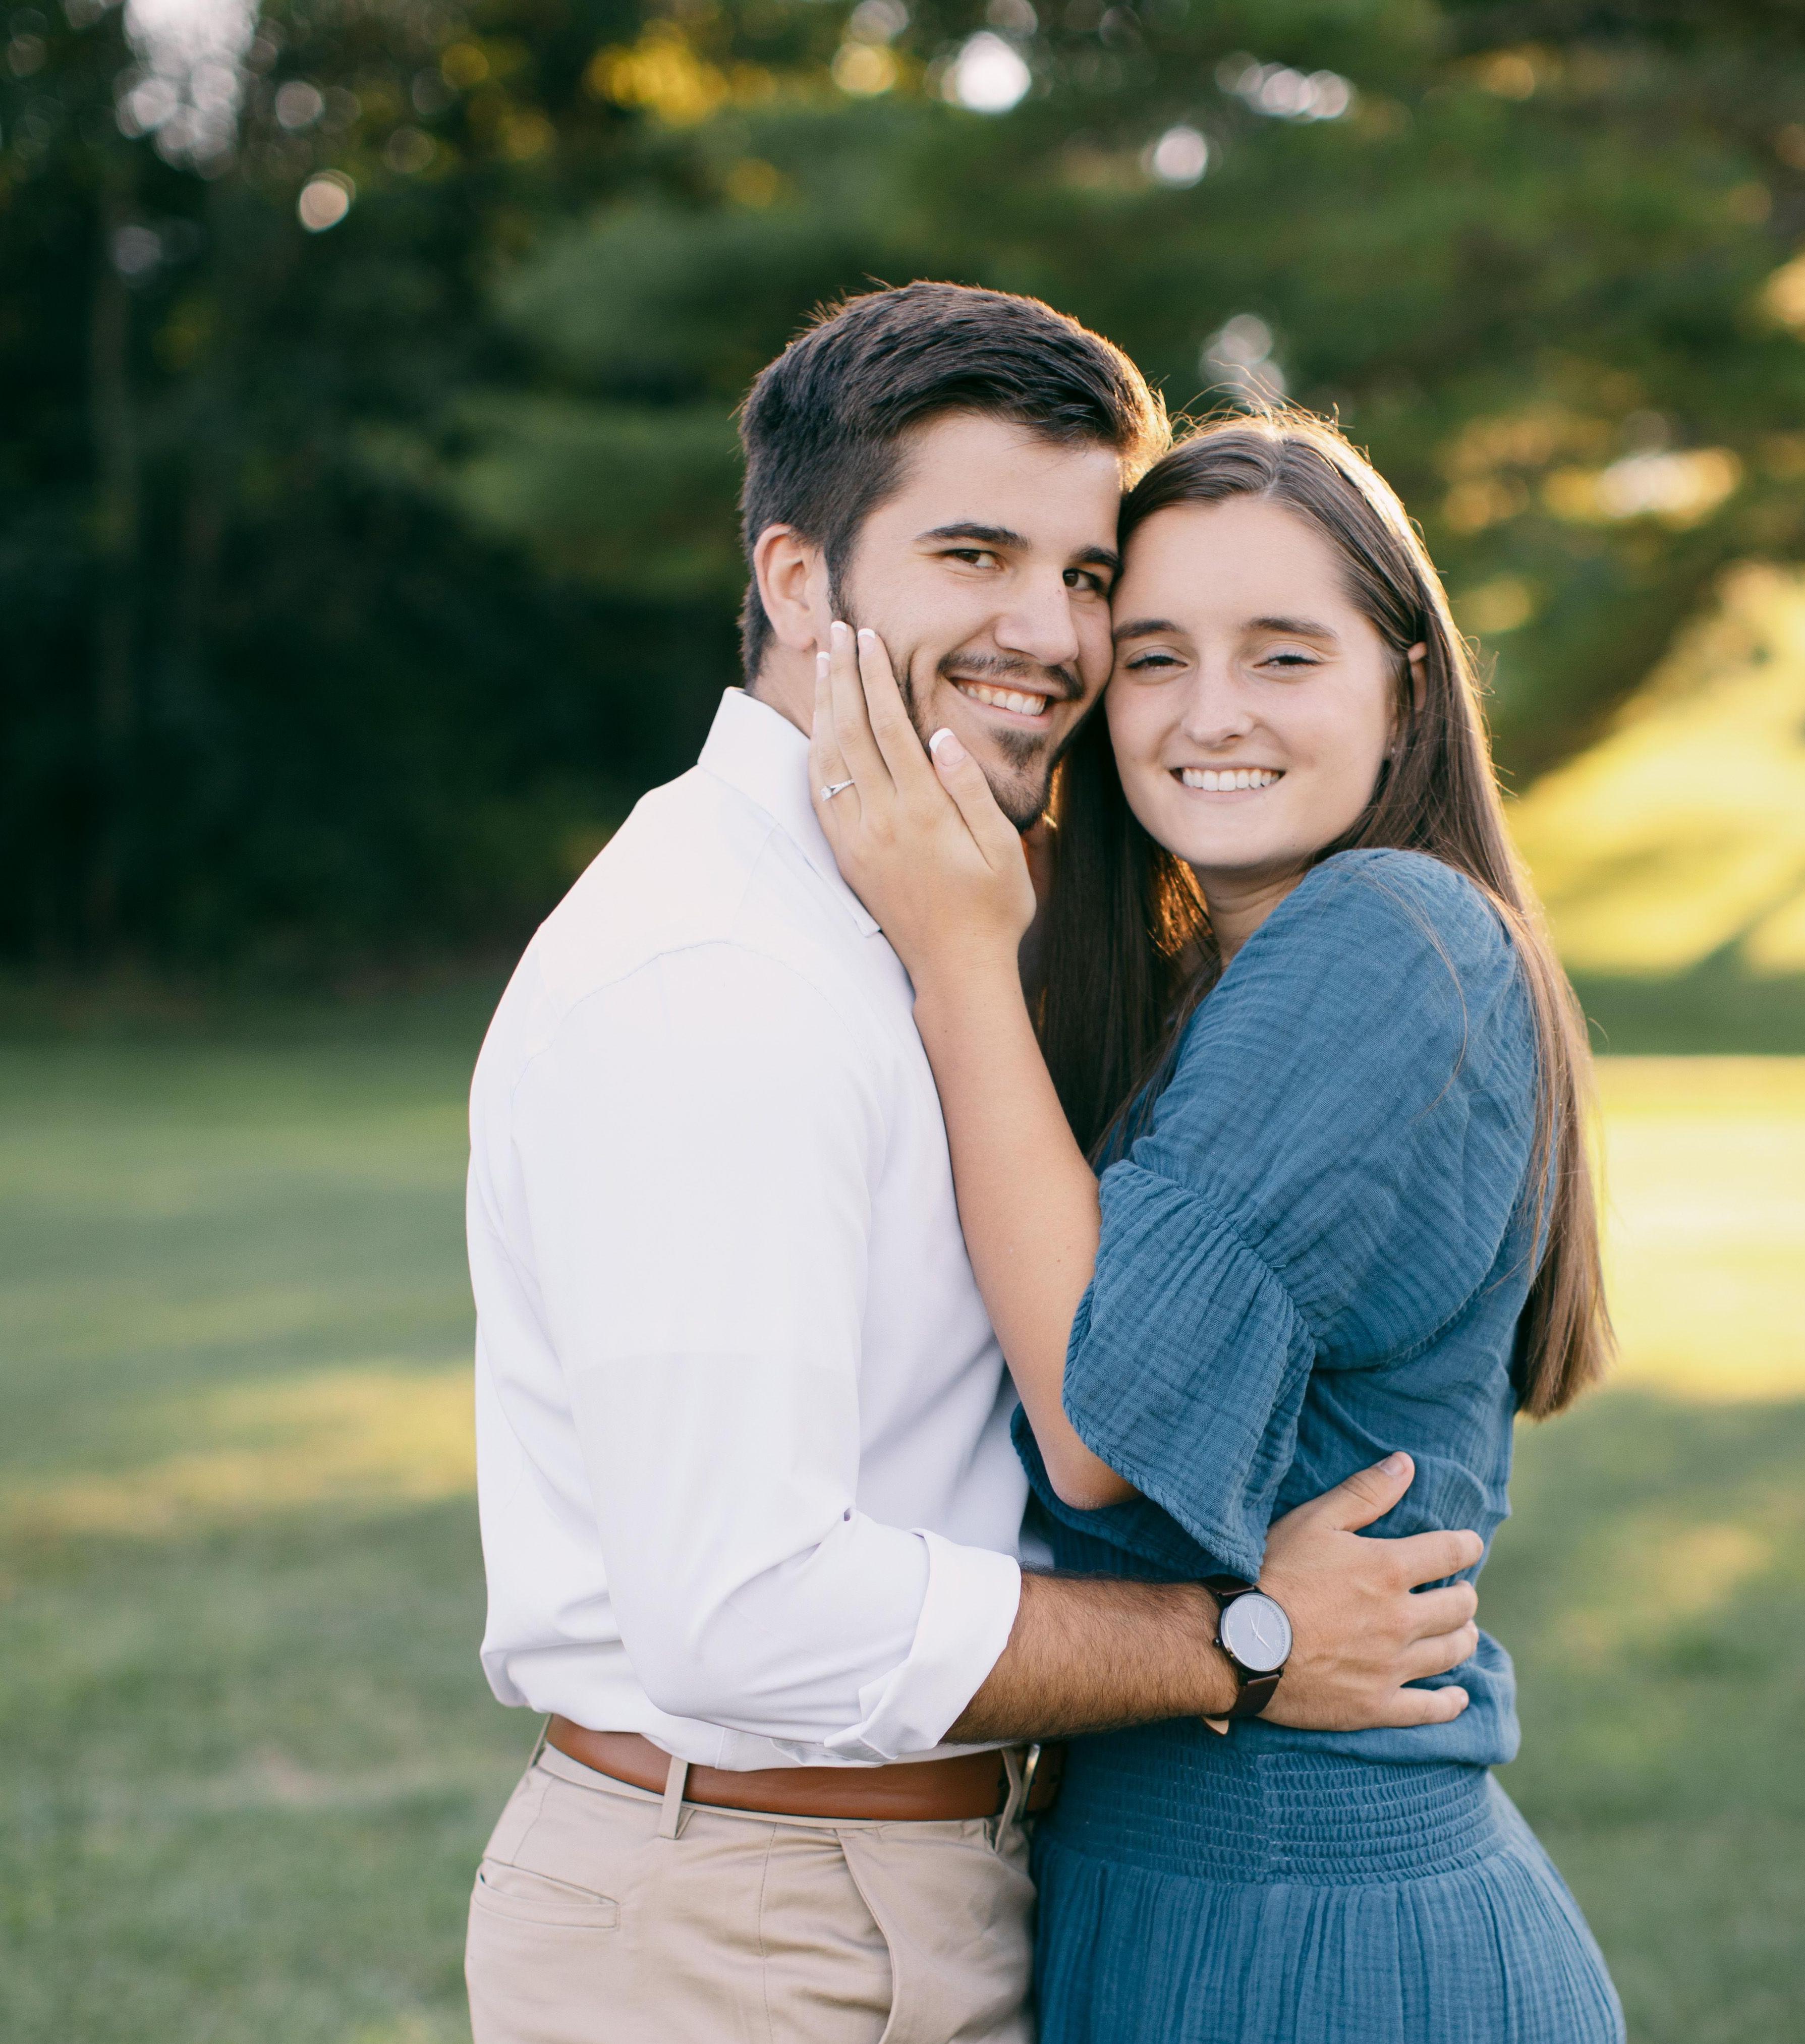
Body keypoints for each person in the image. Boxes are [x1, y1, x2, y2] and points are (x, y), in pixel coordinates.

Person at [462, 288, 1493, 2044]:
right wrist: (1236, 1642)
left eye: (1087, 577)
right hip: (748, 1931)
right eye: (971, 553)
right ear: (799, 584)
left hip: (888, 1893)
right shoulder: (723, 973)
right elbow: (740, 1608)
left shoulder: (909, 914)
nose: (1049, 634)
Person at [811, 411, 1626, 2043]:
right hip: (1178, 1884)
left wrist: (958, 950)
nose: (1209, 714)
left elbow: (1104, 1419)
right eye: (1157, 656)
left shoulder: (1384, 936)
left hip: (1316, 1927)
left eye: (1283, 654)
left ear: (1404, 682)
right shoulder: (1212, 981)